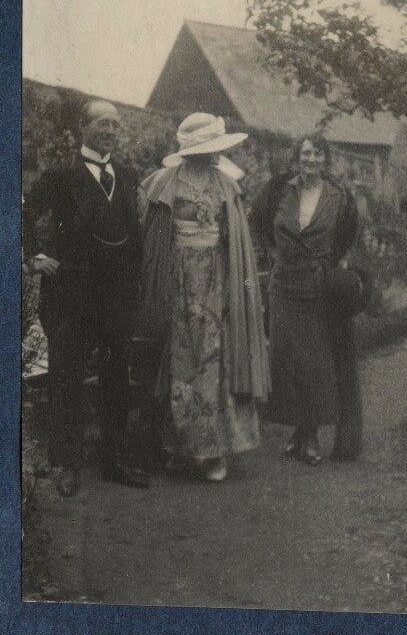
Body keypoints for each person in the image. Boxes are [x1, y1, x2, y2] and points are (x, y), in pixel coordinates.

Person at [22, 100, 149, 496]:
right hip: (73, 293)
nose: (110, 129)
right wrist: (33, 257)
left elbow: (134, 231)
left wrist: (136, 282)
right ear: (84, 128)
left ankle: (115, 460)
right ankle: (66, 464)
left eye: (115, 123)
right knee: (68, 378)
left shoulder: (127, 175)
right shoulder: (62, 175)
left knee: (116, 377)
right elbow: (21, 209)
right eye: (102, 122)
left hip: (116, 296)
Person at [137, 112, 270, 482]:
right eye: (208, 149)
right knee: (181, 361)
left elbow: (236, 241)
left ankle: (213, 452)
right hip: (177, 279)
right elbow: (150, 233)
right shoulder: (164, 182)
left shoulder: (226, 184)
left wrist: (240, 290)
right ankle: (182, 448)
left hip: (217, 279)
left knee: (214, 361)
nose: (213, 155)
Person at [251, 133, 362, 465]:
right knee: (286, 362)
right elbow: (258, 222)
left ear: (326, 160)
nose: (311, 159)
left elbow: (347, 234)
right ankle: (298, 431)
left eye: (317, 154)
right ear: (296, 157)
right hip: (283, 285)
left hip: (317, 287)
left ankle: (310, 434)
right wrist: (272, 254)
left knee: (313, 362)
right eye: (305, 153)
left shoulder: (339, 197)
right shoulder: (277, 190)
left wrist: (329, 264)